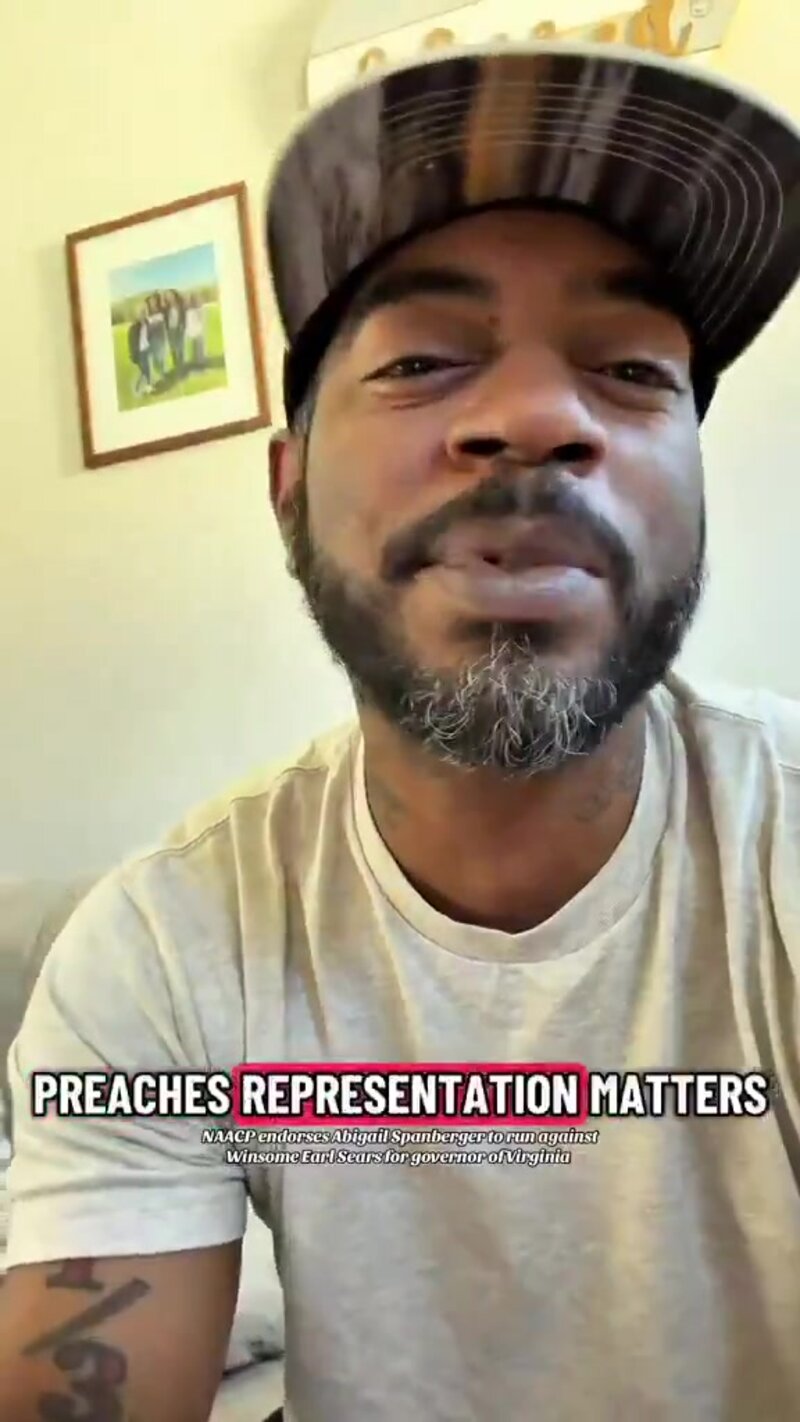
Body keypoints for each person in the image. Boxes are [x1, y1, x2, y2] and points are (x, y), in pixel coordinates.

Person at [2, 39, 800, 1422]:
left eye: (627, 368)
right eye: (425, 359)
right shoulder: (160, 951)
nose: (537, 417)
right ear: (289, 487)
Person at [127, 303, 152, 397]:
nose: (143, 314)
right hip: (139, 352)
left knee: (146, 369)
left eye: (144, 312)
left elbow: (150, 335)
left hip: (146, 350)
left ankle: (147, 386)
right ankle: (139, 387)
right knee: (144, 370)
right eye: (141, 313)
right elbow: (131, 343)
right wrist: (132, 354)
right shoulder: (134, 327)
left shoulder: (148, 323)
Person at [147, 291, 168, 382]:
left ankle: (163, 374)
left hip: (161, 337)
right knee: (155, 358)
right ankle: (157, 374)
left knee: (161, 357)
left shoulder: (161, 310)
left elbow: (162, 324)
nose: (152, 303)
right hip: (152, 339)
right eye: (150, 302)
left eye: (154, 301)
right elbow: (148, 328)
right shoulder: (148, 313)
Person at [165, 286, 186, 375]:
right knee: (173, 349)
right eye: (168, 296)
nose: (169, 297)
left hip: (178, 329)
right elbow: (166, 319)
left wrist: (183, 326)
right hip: (170, 330)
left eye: (170, 295)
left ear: (174, 295)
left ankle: (181, 367)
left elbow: (184, 316)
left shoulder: (180, 305)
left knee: (180, 348)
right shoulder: (166, 307)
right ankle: (176, 366)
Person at [185, 292, 206, 369]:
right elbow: (188, 322)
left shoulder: (198, 310)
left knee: (199, 348)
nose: (189, 301)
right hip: (192, 331)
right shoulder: (188, 311)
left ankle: (200, 363)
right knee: (193, 348)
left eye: (191, 299)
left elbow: (201, 320)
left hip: (198, 330)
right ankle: (195, 362)